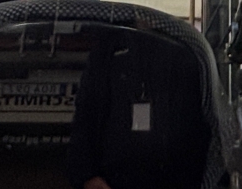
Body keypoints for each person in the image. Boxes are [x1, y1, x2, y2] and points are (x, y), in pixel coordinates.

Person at [67, 27, 211, 189]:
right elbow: (86, 117)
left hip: (167, 177)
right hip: (113, 177)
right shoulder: (108, 50)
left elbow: (194, 126)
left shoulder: (182, 53)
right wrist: (88, 176)